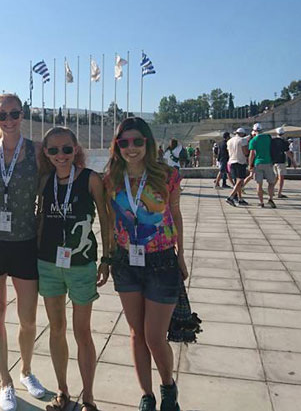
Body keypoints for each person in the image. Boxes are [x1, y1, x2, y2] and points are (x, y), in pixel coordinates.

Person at [104, 117, 186, 411]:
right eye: (124, 142)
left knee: (154, 335)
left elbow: (175, 215)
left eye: (137, 141)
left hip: (162, 260)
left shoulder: (167, 175)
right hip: (126, 261)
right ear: (118, 146)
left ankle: (168, 387)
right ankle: (147, 395)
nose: (131, 148)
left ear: (148, 143)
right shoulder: (111, 178)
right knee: (137, 333)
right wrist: (108, 256)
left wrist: (182, 255)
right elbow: (110, 220)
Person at [0, 93, 46, 411]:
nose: (9, 119)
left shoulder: (37, 151)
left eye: (15, 113)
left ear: (23, 114)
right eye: (2, 115)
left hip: (24, 240)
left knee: (28, 318)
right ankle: (5, 381)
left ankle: (26, 371)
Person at [36, 127, 110, 411]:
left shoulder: (90, 179)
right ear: (46, 152)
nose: (61, 155)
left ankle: (88, 397)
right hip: (48, 263)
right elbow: (39, 219)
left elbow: (105, 218)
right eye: (53, 150)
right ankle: (62, 391)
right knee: (56, 329)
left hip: (81, 264)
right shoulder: (45, 181)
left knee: (82, 332)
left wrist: (107, 258)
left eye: (66, 149)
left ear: (76, 149)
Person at [247, 124, 277, 208]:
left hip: (258, 163)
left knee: (259, 184)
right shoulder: (268, 137)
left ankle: (261, 202)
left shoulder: (253, 140)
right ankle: (270, 199)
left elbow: (252, 154)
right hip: (268, 162)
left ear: (254, 131)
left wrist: (250, 165)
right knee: (271, 182)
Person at [225, 127, 250, 206]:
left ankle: (240, 198)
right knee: (240, 180)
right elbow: (245, 152)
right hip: (240, 161)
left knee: (237, 181)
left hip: (232, 161)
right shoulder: (242, 140)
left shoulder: (229, 141)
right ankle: (231, 197)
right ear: (242, 134)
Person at [270, 127, 293, 199]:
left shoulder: (272, 141)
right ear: (283, 133)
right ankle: (279, 193)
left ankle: (272, 190)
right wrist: (293, 161)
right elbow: (287, 152)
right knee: (281, 178)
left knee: (276, 177)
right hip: (281, 161)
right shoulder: (284, 142)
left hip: (273, 161)